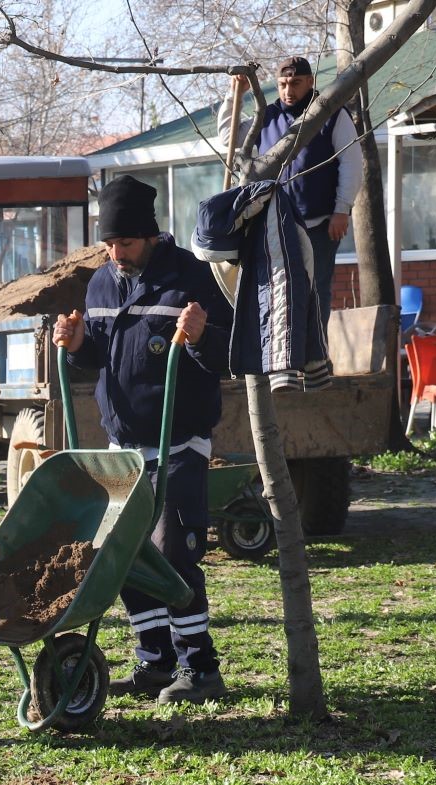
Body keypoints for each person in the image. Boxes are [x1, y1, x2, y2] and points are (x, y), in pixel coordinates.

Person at [54, 175, 234, 705]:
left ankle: (200, 668)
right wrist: (81, 342)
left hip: (178, 441)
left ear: (151, 236)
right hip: (122, 446)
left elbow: (225, 356)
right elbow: (101, 357)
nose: (116, 254)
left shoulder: (193, 278)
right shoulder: (102, 283)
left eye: (125, 244)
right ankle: (155, 662)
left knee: (173, 554)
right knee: (122, 556)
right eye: (108, 244)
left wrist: (202, 336)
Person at [223, 56, 364, 322]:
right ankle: (286, 357)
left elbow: (352, 161)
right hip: (274, 225)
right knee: (278, 294)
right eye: (283, 84)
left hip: (320, 225)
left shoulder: (331, 113)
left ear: (310, 82)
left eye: (296, 83)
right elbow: (228, 138)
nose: (289, 91)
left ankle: (317, 359)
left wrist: (342, 209)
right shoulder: (267, 116)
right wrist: (235, 95)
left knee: (316, 294)